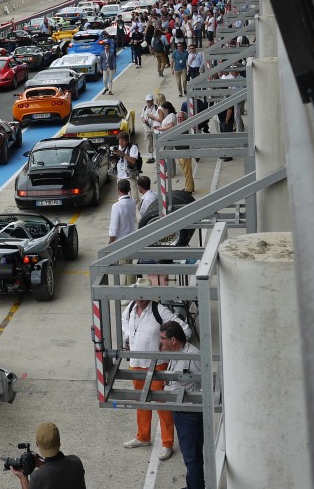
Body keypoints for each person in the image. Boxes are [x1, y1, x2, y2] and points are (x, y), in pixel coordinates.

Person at [122, 279, 192, 461]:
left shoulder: (159, 310)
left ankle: (167, 443)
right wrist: (129, 335)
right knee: (141, 401)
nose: (138, 297)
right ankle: (143, 436)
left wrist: (169, 347)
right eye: (136, 293)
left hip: (157, 365)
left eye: (142, 293)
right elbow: (124, 321)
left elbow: (185, 330)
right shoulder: (130, 308)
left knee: (162, 405)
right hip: (136, 363)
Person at [160, 320, 205, 489]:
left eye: (162, 338)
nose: (160, 341)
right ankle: (194, 485)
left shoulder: (193, 356)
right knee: (189, 455)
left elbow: (206, 383)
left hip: (189, 414)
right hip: (179, 412)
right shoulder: (176, 352)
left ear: (173, 340)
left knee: (192, 457)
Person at [9, 421, 86, 489]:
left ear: (37, 444)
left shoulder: (38, 477)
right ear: (59, 441)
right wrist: (41, 463)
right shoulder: (76, 461)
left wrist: (23, 477)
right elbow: (58, 470)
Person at [109, 178, 137, 284]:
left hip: (121, 242)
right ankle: (129, 286)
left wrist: (111, 242)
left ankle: (128, 288)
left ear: (118, 190)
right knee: (128, 266)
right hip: (132, 239)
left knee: (125, 269)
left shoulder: (117, 206)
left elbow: (114, 229)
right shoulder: (132, 202)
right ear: (129, 189)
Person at [113, 132, 140, 199]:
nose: (120, 143)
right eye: (119, 140)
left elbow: (133, 161)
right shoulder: (117, 148)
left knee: (135, 198)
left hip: (130, 176)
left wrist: (123, 154)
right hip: (120, 177)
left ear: (127, 141)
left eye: (122, 141)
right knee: (122, 198)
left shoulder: (132, 147)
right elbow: (114, 162)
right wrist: (113, 158)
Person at [141, 94, 159, 163]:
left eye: (149, 101)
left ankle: (158, 156)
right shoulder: (145, 108)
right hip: (147, 128)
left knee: (156, 143)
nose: (148, 102)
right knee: (148, 143)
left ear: (152, 101)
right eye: (147, 101)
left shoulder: (156, 108)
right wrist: (144, 120)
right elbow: (142, 117)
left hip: (155, 128)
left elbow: (159, 117)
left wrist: (153, 118)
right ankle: (151, 157)